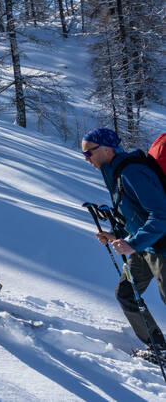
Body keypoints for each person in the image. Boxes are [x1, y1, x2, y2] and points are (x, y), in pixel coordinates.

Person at [82, 127, 166, 360]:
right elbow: (134, 214)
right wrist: (115, 234)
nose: (86, 159)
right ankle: (159, 348)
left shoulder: (132, 172)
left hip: (161, 248)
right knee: (127, 293)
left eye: (89, 153)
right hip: (145, 247)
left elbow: (161, 216)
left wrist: (133, 243)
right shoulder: (116, 172)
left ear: (107, 149)